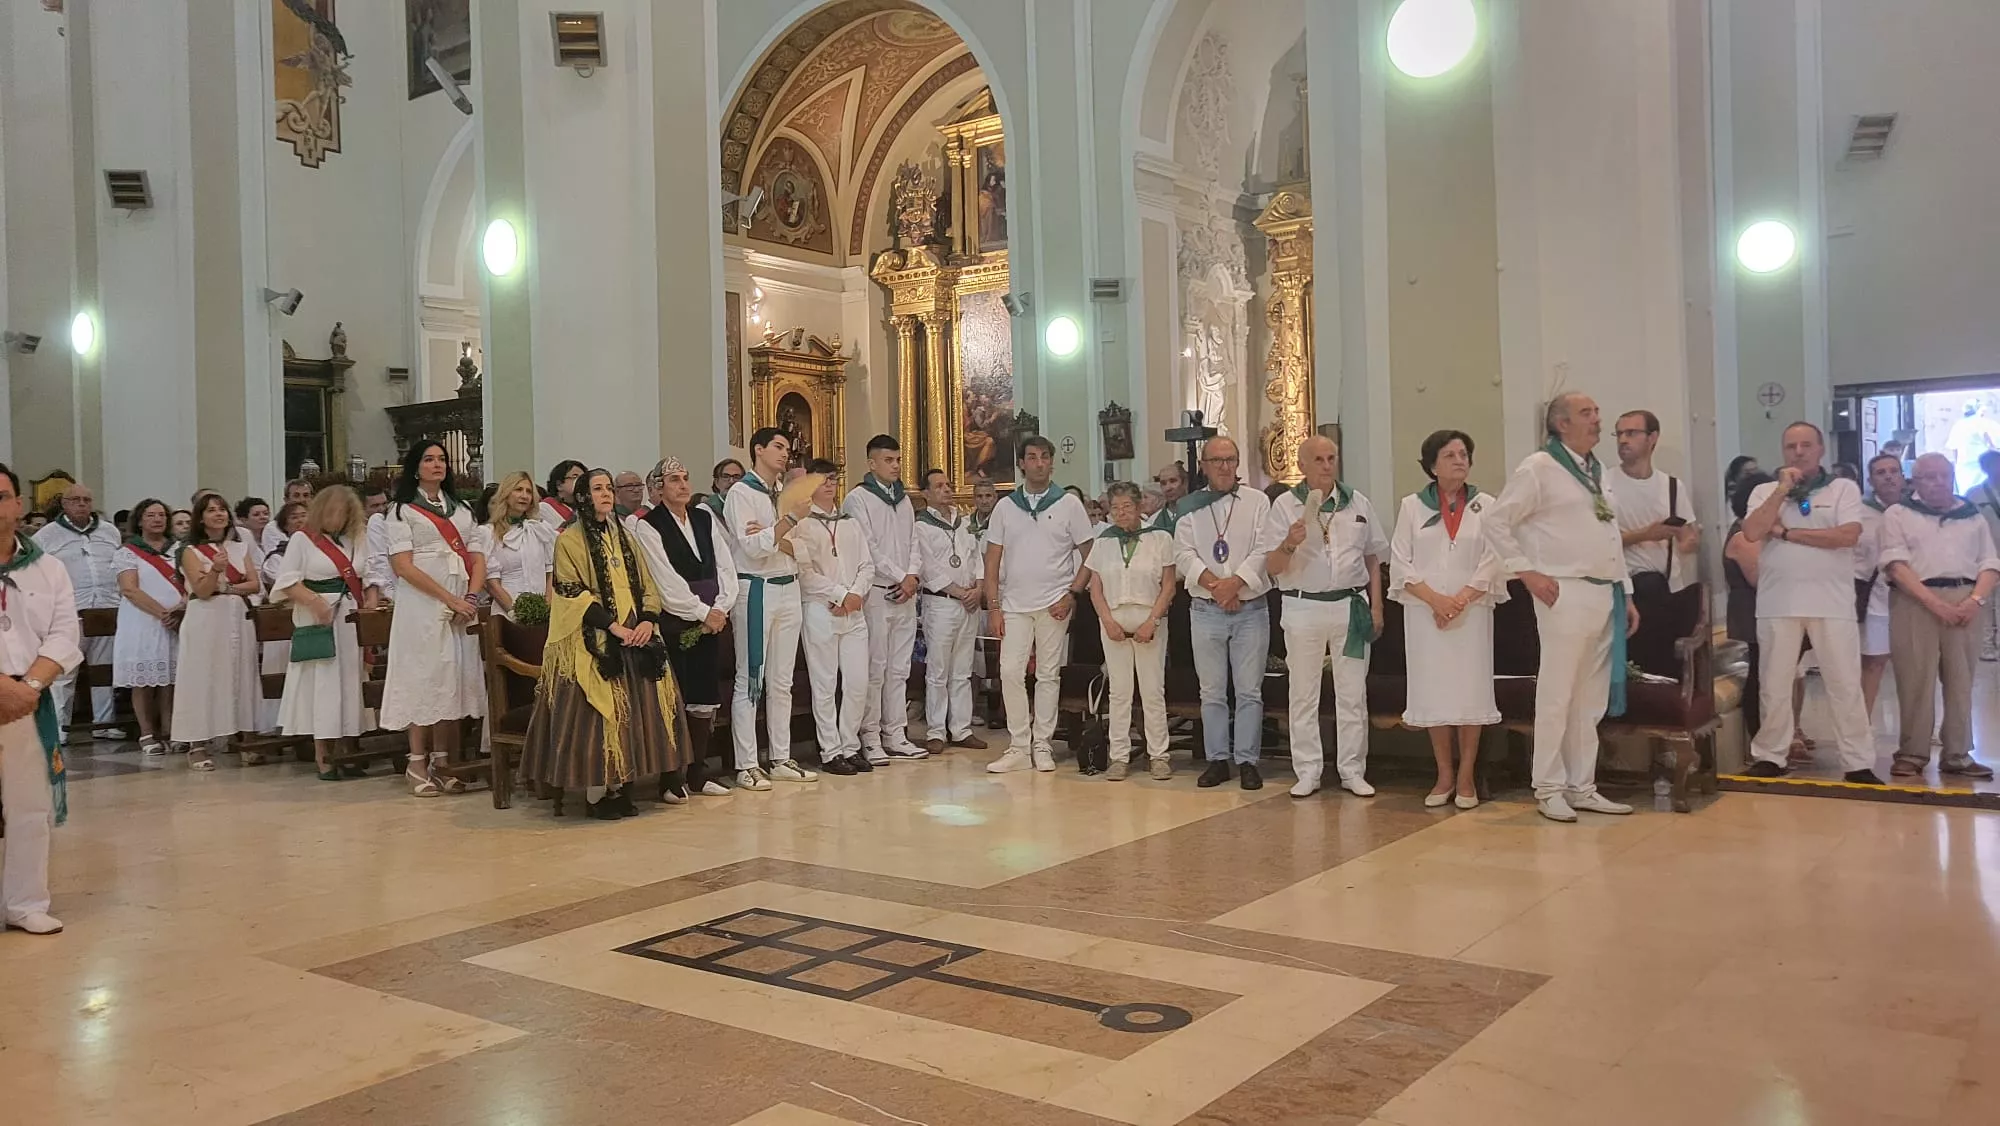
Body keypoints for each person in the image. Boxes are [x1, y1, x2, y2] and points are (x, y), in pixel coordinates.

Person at [1482, 393, 1640, 821]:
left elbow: (1610, 533)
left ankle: (1581, 784)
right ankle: (1548, 786)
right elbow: (1495, 520)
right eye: (1587, 413)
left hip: (1603, 591)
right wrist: (1526, 572)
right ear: (1561, 424)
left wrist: (1624, 591)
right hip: (1562, 590)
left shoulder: (1598, 470)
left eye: (1596, 411)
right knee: (1557, 694)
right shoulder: (1539, 468)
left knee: (1589, 700)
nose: (1597, 420)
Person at [520, 468, 693, 818]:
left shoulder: (627, 537)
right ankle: (596, 794)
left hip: (635, 631)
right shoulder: (569, 539)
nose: (606, 494)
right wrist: (613, 627)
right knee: (598, 715)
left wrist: (647, 620)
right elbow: (570, 590)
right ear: (583, 496)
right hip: (595, 636)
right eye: (597, 488)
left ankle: (622, 786)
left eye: (609, 488)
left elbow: (647, 583)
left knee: (634, 714)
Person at [1739, 421, 1880, 784]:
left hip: (1831, 602)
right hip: (1777, 601)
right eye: (1790, 446)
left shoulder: (1842, 488)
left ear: (1820, 450)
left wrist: (1787, 533)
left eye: (1805, 445)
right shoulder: (1766, 492)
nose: (1798, 452)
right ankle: (1771, 755)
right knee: (1774, 683)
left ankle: (1858, 762)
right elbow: (1753, 532)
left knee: (1845, 684)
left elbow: (1846, 536)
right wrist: (1781, 492)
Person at [1263, 435, 1387, 798]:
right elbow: (1271, 566)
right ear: (1302, 465)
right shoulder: (1285, 506)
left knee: (1352, 692)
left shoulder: (1356, 501)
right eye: (1318, 459)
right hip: (1303, 606)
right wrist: (1289, 542)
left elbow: (1372, 558)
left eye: (1331, 457)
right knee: (1303, 692)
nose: (1327, 465)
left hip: (1350, 606)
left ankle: (1352, 769)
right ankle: (1308, 770)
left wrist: (1376, 606)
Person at [1390, 430, 1505, 810]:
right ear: (1432, 465)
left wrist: (1460, 599)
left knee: (1469, 692)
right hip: (1426, 613)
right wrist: (1436, 601)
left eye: (1464, 454)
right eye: (1450, 454)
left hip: (1470, 613)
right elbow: (1402, 561)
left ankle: (1468, 774)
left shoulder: (1485, 505)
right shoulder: (1412, 506)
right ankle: (1443, 773)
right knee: (1436, 691)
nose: (1459, 460)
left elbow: (1494, 557)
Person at [376, 441, 488, 797]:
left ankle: (444, 761)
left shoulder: (462, 509)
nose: (437, 465)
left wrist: (470, 596)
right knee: (421, 676)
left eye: (442, 459)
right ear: (415, 468)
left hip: (460, 606)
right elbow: (402, 566)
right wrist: (449, 598)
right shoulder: (401, 511)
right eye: (429, 459)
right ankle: (417, 761)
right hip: (422, 606)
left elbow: (477, 556)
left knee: (450, 678)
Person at [0, 462, 83, 936]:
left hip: (27, 698)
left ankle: (26, 902)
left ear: (18, 504)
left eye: (2, 496)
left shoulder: (47, 567)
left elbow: (65, 632)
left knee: (28, 804)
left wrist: (28, 688)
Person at [1880, 453, 1998, 780]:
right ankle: (1913, 753)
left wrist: (1975, 600)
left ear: (1953, 476)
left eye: (1944, 475)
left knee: (1962, 681)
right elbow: (1896, 565)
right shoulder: (1899, 514)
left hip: (1965, 601)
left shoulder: (1972, 515)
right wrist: (1935, 604)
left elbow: (1989, 563)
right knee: (1915, 679)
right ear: (1914, 482)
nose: (1937, 482)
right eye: (1928, 477)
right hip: (1915, 601)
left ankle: (1958, 754)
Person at [983, 436, 1095, 773]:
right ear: (1022, 464)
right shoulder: (1005, 507)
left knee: (1048, 675)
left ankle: (1042, 743)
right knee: (1010, 671)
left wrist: (1072, 594)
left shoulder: (1069, 505)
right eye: (1032, 457)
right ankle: (1018, 744)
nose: (1039, 463)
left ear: (1052, 462)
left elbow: (1091, 555)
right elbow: (992, 561)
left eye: (1045, 457)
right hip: (1014, 604)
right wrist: (994, 606)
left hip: (1054, 604)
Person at [723, 428, 819, 791]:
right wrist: (786, 525)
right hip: (757, 589)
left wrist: (775, 530)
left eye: (787, 448)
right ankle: (746, 763)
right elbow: (753, 550)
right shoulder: (741, 493)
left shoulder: (784, 495)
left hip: (789, 587)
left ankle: (781, 756)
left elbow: (804, 550)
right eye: (777, 446)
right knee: (751, 677)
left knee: (782, 680)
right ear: (758, 449)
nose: (785, 453)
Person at [1175, 436, 1272, 790]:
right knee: (1212, 691)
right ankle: (1217, 759)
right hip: (1206, 609)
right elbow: (1184, 553)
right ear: (1203, 465)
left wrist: (1237, 584)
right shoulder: (1189, 506)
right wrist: (1218, 586)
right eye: (1217, 461)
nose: (1225, 466)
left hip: (1250, 608)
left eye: (1230, 459)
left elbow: (1265, 548)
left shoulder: (1257, 502)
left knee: (1249, 691)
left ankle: (1247, 759)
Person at [638, 457, 736, 795]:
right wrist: (700, 611)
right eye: (674, 479)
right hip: (677, 622)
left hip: (712, 619)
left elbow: (725, 565)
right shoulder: (648, 526)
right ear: (658, 488)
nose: (682, 484)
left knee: (704, 697)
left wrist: (721, 607)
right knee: (676, 697)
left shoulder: (703, 518)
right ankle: (671, 777)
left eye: (685, 477)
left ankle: (698, 771)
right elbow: (664, 580)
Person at [270, 486, 379, 779]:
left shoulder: (357, 537)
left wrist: (370, 598)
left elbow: (369, 574)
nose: (337, 518)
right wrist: (315, 603)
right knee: (323, 684)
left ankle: (349, 749)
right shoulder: (303, 540)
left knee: (351, 681)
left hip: (350, 617)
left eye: (343, 512)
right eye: (332, 512)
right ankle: (323, 755)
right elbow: (287, 582)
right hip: (318, 617)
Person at [1086, 481, 1177, 780]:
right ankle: (1119, 756)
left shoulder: (1159, 538)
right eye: (1115, 508)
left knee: (1152, 690)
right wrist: (1108, 622)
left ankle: (1159, 755)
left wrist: (1152, 621)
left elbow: (1168, 586)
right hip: (1113, 619)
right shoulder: (1103, 541)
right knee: (1119, 691)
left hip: (1148, 617)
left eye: (1127, 506)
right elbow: (1095, 589)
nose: (1121, 513)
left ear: (1139, 507)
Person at [843, 435, 927, 763]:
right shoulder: (858, 498)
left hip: (905, 593)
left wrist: (913, 576)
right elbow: (868, 546)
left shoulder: (905, 501)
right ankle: (870, 735)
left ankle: (896, 732)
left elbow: (913, 542)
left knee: (899, 668)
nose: (894, 466)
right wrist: (899, 576)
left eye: (897, 460)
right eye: (888, 460)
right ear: (872, 463)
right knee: (875, 667)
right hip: (877, 592)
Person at [791, 460, 874, 775]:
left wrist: (854, 596)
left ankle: (850, 746)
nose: (829, 483)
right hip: (820, 610)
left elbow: (867, 564)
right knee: (824, 684)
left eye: (833, 478)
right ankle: (830, 751)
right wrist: (840, 595)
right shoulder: (802, 522)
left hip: (854, 612)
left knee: (856, 683)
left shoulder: (850, 521)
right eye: (823, 479)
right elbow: (805, 572)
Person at [169, 492, 262, 771]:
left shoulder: (239, 547)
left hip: (236, 616)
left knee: (240, 673)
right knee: (203, 677)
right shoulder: (190, 551)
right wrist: (215, 572)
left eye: (222, 509)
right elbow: (202, 590)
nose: (219, 514)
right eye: (211, 510)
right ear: (201, 517)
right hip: (206, 619)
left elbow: (254, 585)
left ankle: (244, 735)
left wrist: (226, 586)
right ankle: (196, 744)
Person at [1608, 410, 1701, 675]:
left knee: (1666, 665)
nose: (1623, 440)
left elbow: (1689, 537)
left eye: (1631, 433)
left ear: (1652, 438)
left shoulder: (1672, 486)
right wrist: (1645, 535)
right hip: (1628, 589)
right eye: (1619, 433)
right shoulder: (1606, 483)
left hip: (1666, 589)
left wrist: (1687, 538)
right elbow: (1601, 541)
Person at [33, 482, 123, 739]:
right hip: (70, 613)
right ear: (64, 504)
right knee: (64, 672)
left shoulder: (109, 532)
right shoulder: (47, 535)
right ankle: (60, 727)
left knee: (103, 670)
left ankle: (105, 723)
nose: (82, 504)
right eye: (75, 500)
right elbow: (38, 573)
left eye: (86, 499)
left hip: (106, 608)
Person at [913, 467, 986, 756]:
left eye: (949, 484)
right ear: (926, 493)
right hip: (941, 603)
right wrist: (958, 592)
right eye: (940, 486)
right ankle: (935, 731)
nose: (947, 490)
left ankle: (961, 728)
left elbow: (976, 557)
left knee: (962, 669)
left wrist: (978, 589)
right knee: (938, 669)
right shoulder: (921, 525)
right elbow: (927, 567)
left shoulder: (963, 521)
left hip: (968, 603)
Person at [113, 499, 182, 756]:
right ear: (140, 520)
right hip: (141, 621)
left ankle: (171, 729)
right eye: (151, 515)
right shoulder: (128, 552)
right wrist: (163, 613)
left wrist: (179, 611)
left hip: (176, 620)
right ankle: (147, 733)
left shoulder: (178, 549)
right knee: (143, 679)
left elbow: (190, 581)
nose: (157, 519)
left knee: (170, 679)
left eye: (162, 515)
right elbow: (129, 589)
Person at [1724, 472, 1777, 735]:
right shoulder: (1744, 535)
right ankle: (1759, 736)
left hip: (1760, 611)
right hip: (1750, 613)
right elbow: (1760, 577)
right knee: (1759, 675)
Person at [1857, 453, 1907, 729]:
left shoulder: (1915, 510)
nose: (1888, 476)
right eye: (1880, 472)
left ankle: (1920, 727)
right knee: (1873, 663)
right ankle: (1862, 725)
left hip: (1913, 598)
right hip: (1875, 597)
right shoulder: (1860, 513)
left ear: (1902, 475)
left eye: (1893, 471)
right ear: (1871, 480)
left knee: (1917, 666)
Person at [483, 471, 557, 621]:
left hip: (544, 616)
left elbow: (550, 572)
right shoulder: (488, 533)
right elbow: (491, 583)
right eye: (518, 490)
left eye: (528, 491)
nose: (524, 495)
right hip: (507, 615)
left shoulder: (540, 529)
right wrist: (516, 613)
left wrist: (546, 609)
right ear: (506, 493)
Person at [1973, 449, 2000, 661]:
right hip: (1985, 556)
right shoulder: (1974, 495)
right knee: (1985, 600)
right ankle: (1986, 644)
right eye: (1994, 464)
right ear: (1985, 468)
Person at [1945, 400, 2000, 494]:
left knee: (1967, 494)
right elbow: (1994, 445)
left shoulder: (1958, 425)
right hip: (1984, 465)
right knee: (1987, 494)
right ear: (1980, 410)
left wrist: (1957, 466)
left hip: (1964, 466)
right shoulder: (1987, 423)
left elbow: (1954, 448)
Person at [361, 484, 396, 601]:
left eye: (384, 504)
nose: (381, 509)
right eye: (375, 506)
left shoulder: (392, 525)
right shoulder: (353, 534)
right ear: (362, 509)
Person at [541, 459, 586, 527]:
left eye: (583, 478)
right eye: (575, 477)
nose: (581, 481)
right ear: (559, 485)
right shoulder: (544, 508)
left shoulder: (584, 508)